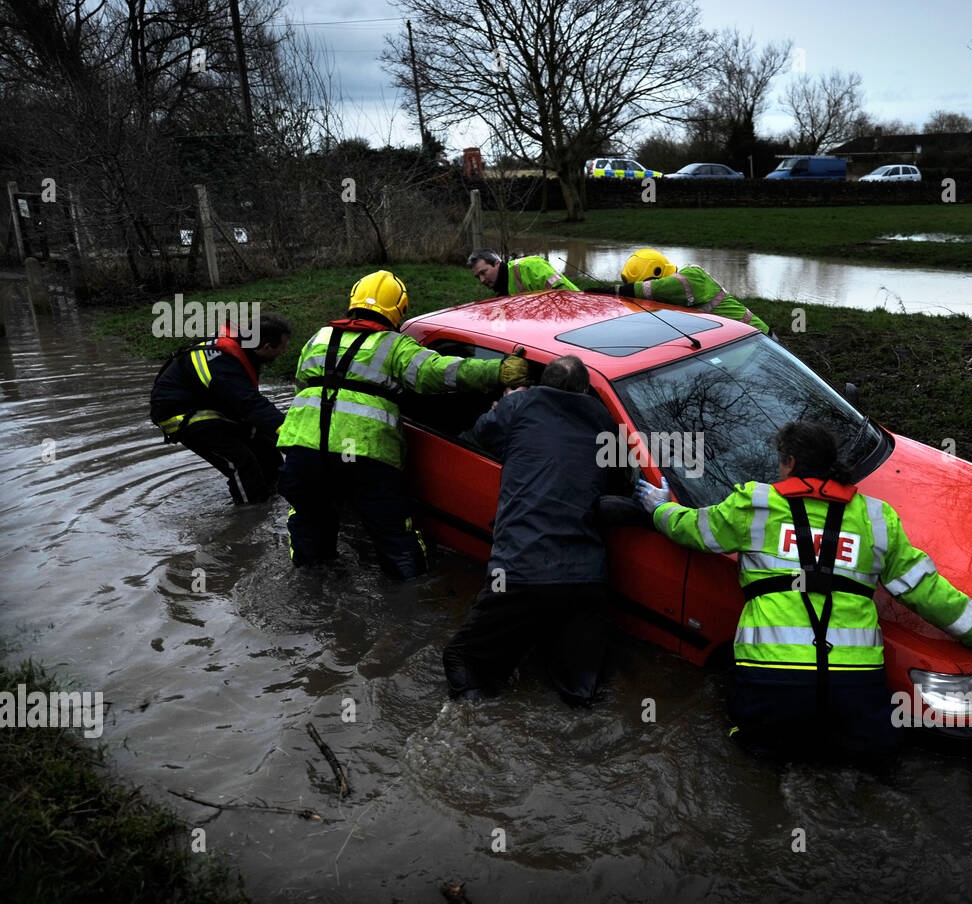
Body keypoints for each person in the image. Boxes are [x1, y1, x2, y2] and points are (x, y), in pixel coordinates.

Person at [636, 420, 972, 760]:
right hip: (854, 682)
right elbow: (925, 589)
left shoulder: (754, 504)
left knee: (758, 752)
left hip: (772, 673)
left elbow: (693, 529)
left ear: (788, 464)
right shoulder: (876, 518)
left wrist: (659, 507)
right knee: (874, 760)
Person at [277, 269, 529, 580]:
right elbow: (440, 372)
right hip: (364, 456)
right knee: (395, 536)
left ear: (353, 300)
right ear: (400, 308)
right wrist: (498, 372)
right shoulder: (395, 346)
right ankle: (406, 601)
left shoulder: (319, 337)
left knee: (308, 524)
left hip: (303, 450)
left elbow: (303, 384)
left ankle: (310, 591)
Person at [441, 355, 626, 704]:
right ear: (586, 390)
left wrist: (508, 402)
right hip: (585, 580)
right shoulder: (605, 421)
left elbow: (482, 434)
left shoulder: (520, 405)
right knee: (581, 691)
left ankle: (472, 733)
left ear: (542, 385)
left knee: (461, 659)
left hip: (520, 572)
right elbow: (616, 480)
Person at [149, 314, 293, 504]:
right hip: (182, 415)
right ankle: (250, 516)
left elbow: (249, 404)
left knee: (266, 449)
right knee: (242, 463)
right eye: (282, 346)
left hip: (209, 406)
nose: (285, 351)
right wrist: (292, 436)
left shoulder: (243, 348)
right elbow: (251, 405)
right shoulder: (224, 364)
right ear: (266, 347)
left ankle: (278, 497)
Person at [589, 249, 769, 334]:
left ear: (657, 274)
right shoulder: (673, 294)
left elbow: (650, 290)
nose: (648, 290)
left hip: (757, 339)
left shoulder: (691, 277)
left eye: (647, 283)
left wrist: (611, 291)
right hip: (738, 339)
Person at [467, 249, 579, 295]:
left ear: (496, 263)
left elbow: (564, 294)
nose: (481, 280)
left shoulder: (528, 266)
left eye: (484, 272)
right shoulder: (501, 288)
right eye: (477, 277)